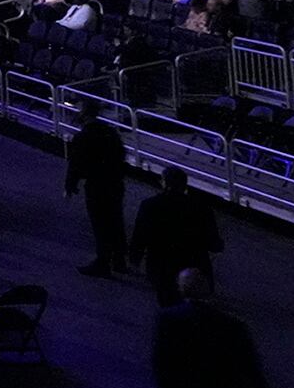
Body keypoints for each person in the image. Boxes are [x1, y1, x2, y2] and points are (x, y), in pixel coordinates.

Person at [152, 267, 272, 388]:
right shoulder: (232, 325)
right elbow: (249, 365)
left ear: (181, 289)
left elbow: (161, 357)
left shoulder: (169, 318)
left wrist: (167, 387)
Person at [129, 167, 222, 306]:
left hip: (162, 263)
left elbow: (141, 234)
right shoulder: (200, 207)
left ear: (164, 183)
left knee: (166, 300)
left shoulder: (150, 205)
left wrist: (135, 256)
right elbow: (212, 238)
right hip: (193, 262)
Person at [64, 109, 128, 275]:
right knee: (115, 221)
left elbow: (76, 163)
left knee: (100, 224)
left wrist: (70, 185)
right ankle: (119, 260)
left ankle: (103, 262)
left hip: (96, 184)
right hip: (115, 183)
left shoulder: (83, 137)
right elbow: (122, 154)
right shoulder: (110, 133)